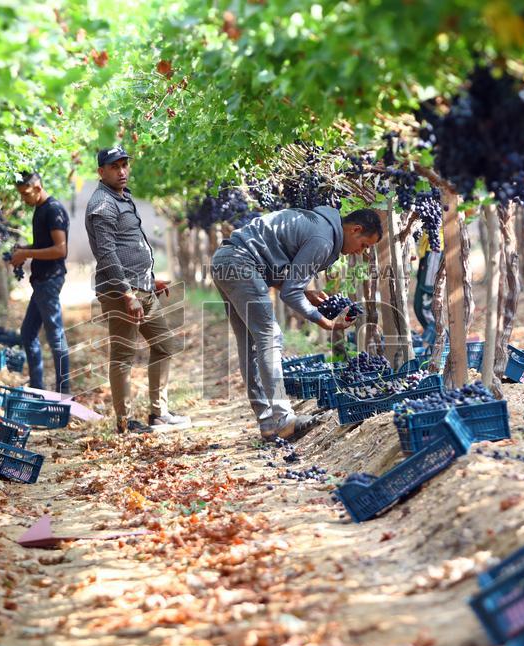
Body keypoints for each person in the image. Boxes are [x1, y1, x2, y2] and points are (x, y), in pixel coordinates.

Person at [211, 206, 383, 442]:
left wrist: (306, 291)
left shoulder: (320, 225)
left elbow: (276, 268)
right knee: (270, 337)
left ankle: (268, 423)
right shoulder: (323, 239)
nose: (360, 252)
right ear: (355, 229)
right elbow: (290, 293)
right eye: (364, 245)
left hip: (226, 260)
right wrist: (325, 322)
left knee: (250, 342)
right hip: (242, 263)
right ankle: (283, 419)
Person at [84, 146, 189, 434]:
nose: (122, 171)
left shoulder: (121, 197)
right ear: (101, 171)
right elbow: (107, 254)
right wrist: (128, 293)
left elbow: (129, 245)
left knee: (164, 345)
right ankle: (125, 422)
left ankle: (159, 413)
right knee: (123, 355)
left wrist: (149, 280)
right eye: (114, 167)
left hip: (142, 288)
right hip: (122, 293)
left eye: (124, 165)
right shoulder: (102, 205)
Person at [9, 172, 71, 394]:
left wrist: (26, 253)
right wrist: (25, 249)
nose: (23, 199)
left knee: (56, 337)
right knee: (28, 333)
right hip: (41, 281)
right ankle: (37, 389)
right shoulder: (40, 208)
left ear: (37, 187)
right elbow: (45, 244)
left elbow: (60, 250)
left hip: (50, 280)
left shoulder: (53, 210)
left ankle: (64, 393)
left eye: (26, 193)